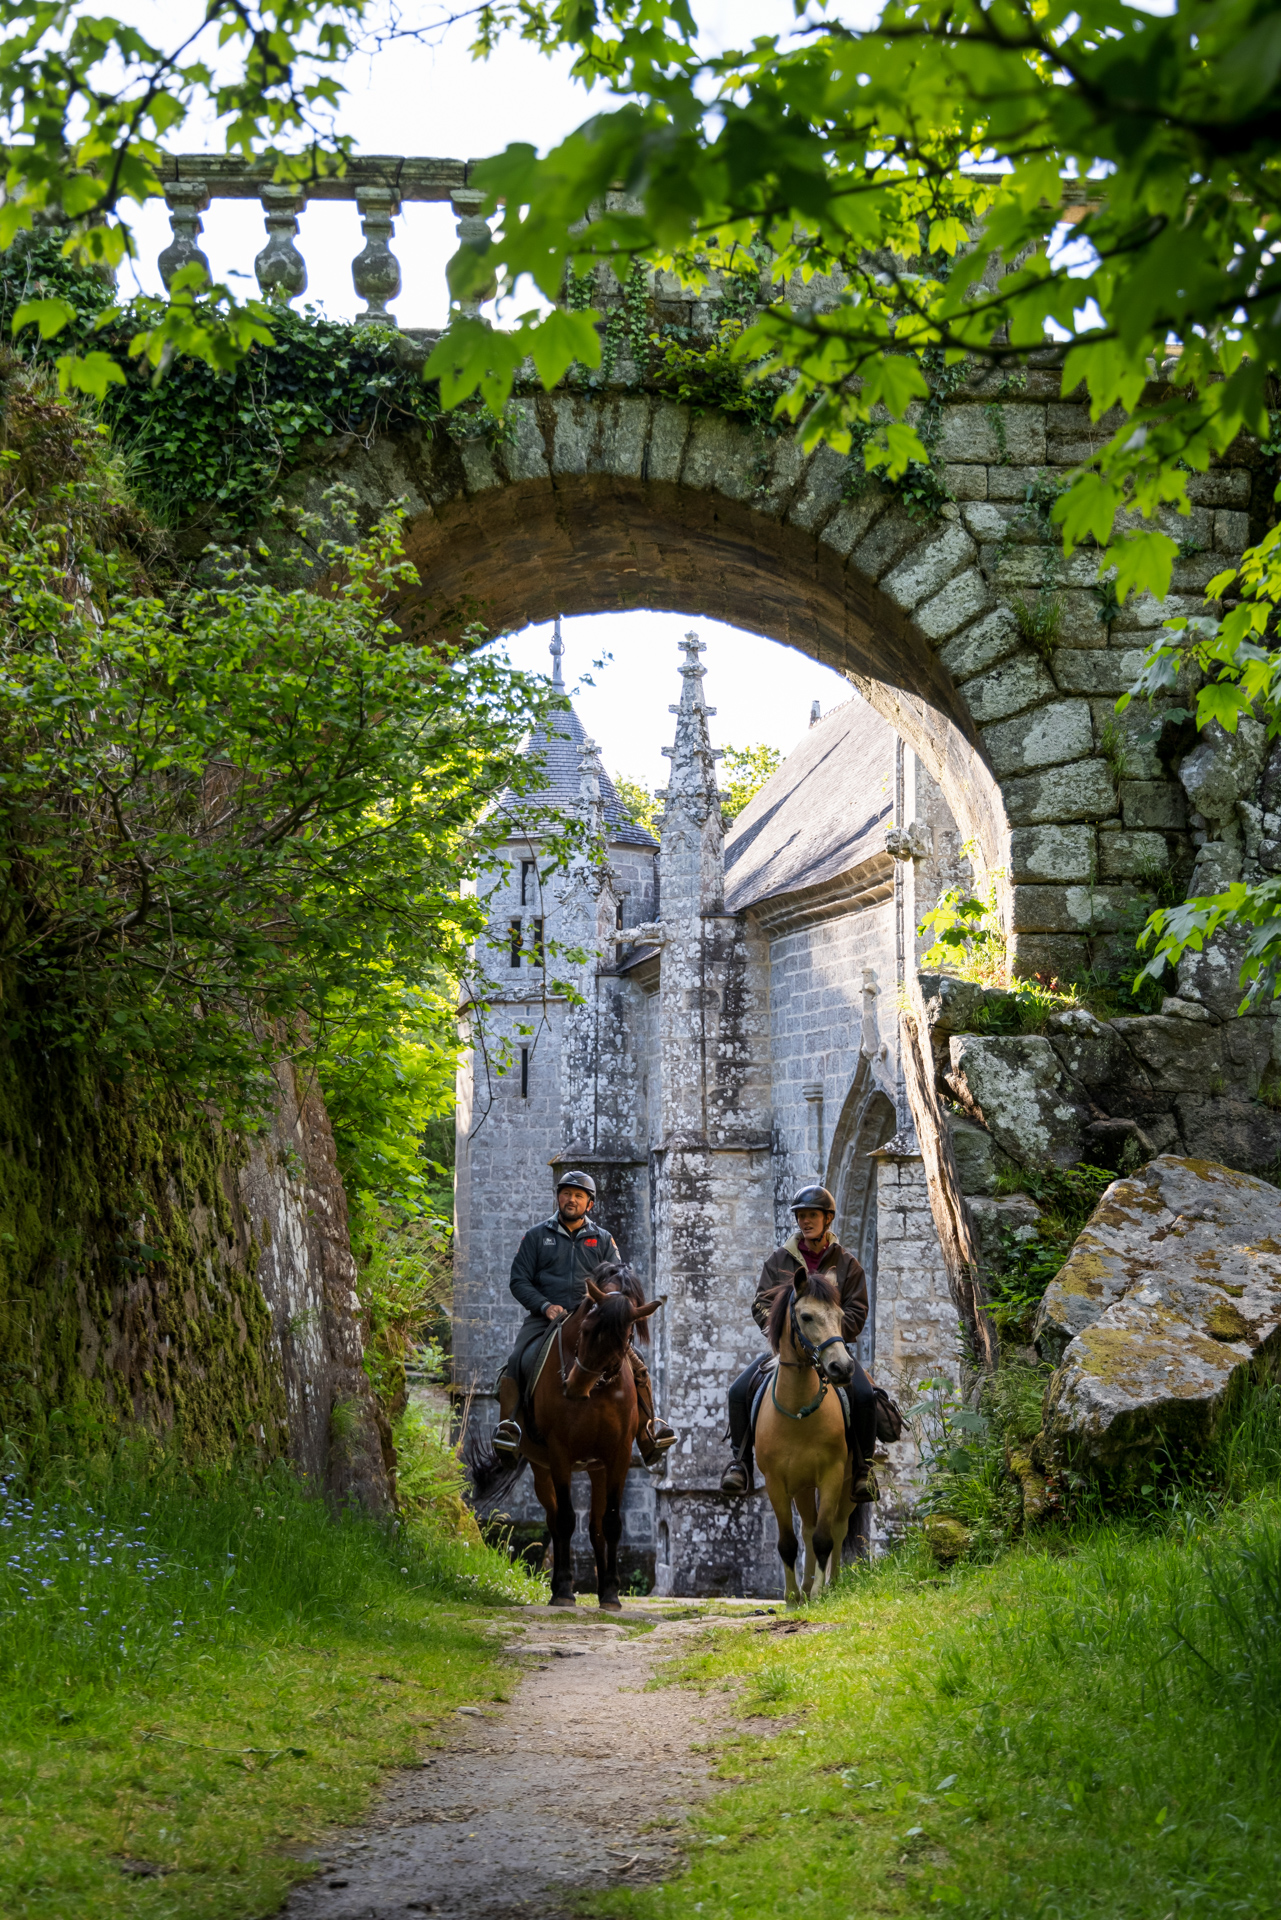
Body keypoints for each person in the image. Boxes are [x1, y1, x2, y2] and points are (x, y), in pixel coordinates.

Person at [492, 1170, 677, 1467]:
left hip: (593, 1319)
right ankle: (509, 1430)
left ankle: (648, 1432)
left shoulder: (603, 1239)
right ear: (558, 1197)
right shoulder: (537, 1236)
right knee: (516, 1361)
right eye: (566, 1193)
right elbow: (519, 1280)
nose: (571, 1200)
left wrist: (606, 1308)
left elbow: (620, 1277)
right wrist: (544, 1305)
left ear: (589, 1204)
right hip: (546, 1319)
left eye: (579, 1196)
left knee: (637, 1364)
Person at [719, 1184, 879, 1501]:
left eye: (812, 1216)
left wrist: (828, 1331)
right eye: (801, 1216)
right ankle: (741, 1465)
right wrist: (781, 1331)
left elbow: (858, 1310)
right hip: (788, 1350)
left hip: (831, 1348)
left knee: (864, 1395)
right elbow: (760, 1303)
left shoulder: (847, 1264)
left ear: (827, 1219)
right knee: (738, 1390)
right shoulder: (780, 1260)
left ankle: (863, 1469)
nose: (805, 1222)